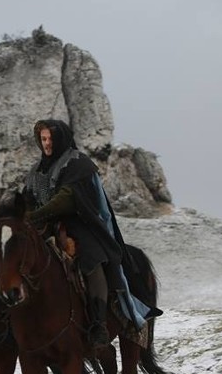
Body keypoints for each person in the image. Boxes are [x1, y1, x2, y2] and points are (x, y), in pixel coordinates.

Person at [22, 119, 155, 347]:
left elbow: (67, 198)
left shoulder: (78, 164)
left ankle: (99, 323)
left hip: (79, 225)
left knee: (93, 262)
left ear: (61, 138)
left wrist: (36, 215)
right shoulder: (36, 170)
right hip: (43, 228)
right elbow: (27, 198)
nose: (47, 144)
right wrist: (24, 216)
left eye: (51, 139)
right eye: (43, 139)